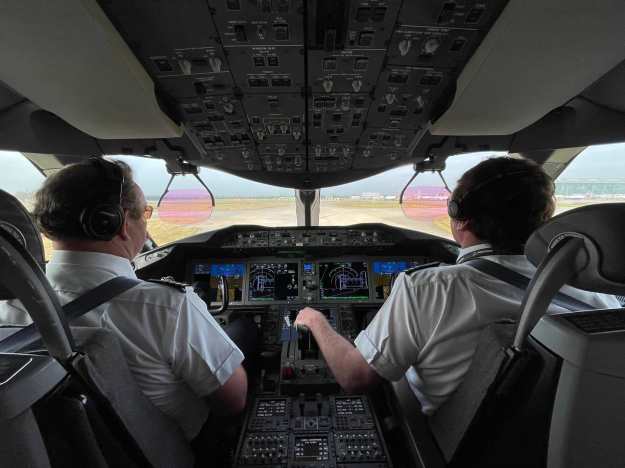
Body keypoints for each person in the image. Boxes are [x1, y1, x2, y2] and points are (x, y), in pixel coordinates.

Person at [295, 156, 621, 414]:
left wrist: (315, 320)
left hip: (447, 441)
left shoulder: (428, 288)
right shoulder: (599, 297)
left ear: (459, 215)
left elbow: (355, 378)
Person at [23, 157, 250, 443]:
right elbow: (233, 402)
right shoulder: (164, 307)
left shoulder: (10, 307)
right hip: (179, 450)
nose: (145, 221)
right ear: (115, 222)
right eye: (144, 212)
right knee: (245, 331)